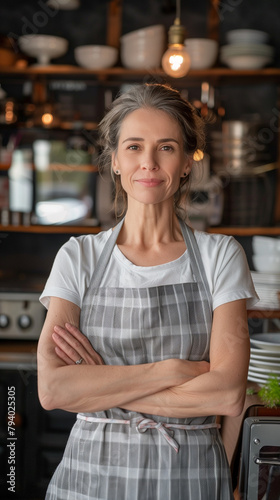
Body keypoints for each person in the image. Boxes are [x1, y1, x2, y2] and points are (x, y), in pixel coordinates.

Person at [37, 82, 258, 500]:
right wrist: (172, 371)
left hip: (189, 480)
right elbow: (53, 390)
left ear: (189, 162)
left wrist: (100, 384)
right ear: (116, 160)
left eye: (167, 147)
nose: (149, 163)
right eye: (135, 147)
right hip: (90, 479)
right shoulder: (78, 257)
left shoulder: (221, 256)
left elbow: (228, 394)